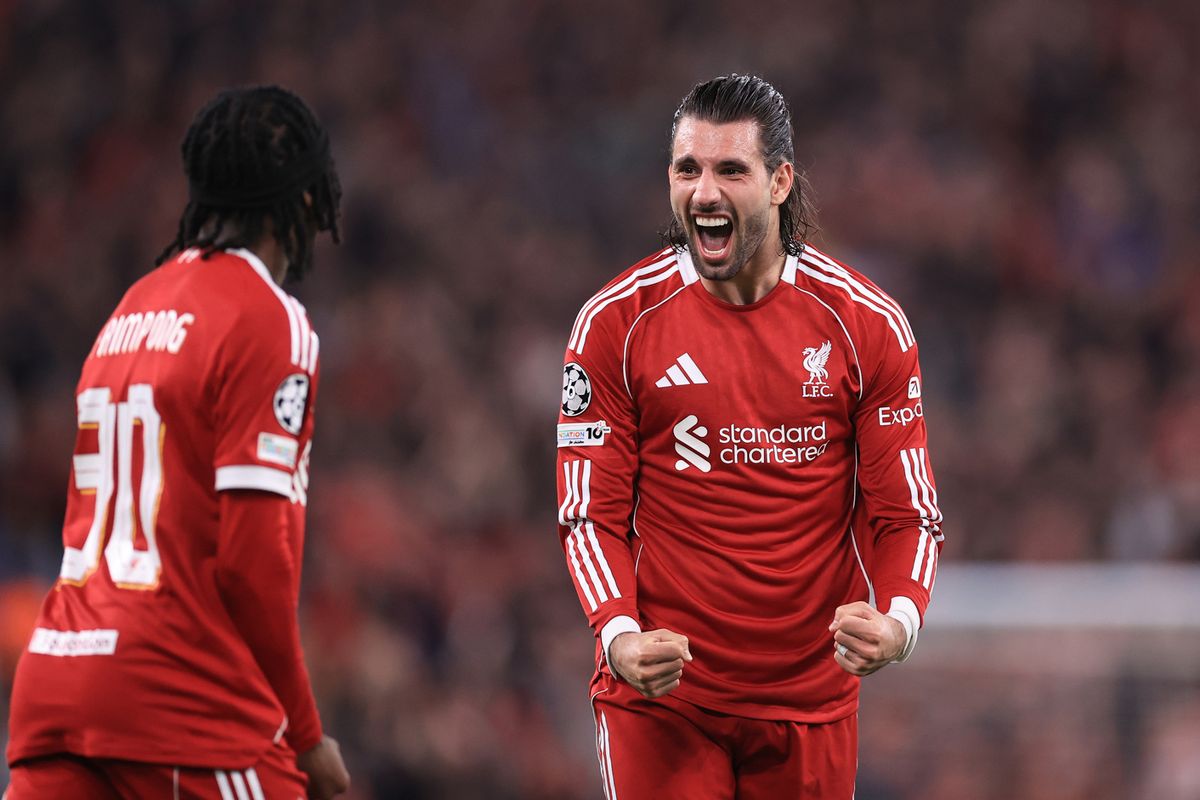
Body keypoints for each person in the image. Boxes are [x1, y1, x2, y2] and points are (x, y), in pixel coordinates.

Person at [555, 74, 944, 798]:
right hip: (664, 703)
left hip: (809, 707)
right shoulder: (616, 323)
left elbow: (908, 515)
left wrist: (898, 625)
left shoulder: (864, 327)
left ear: (780, 182)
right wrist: (618, 633)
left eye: (730, 169)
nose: (704, 192)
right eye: (687, 169)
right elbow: (588, 514)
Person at [5, 86, 351, 800]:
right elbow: (252, 565)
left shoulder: (129, 310)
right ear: (308, 202)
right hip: (179, 702)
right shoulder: (270, 320)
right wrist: (307, 736)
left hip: (57, 687)